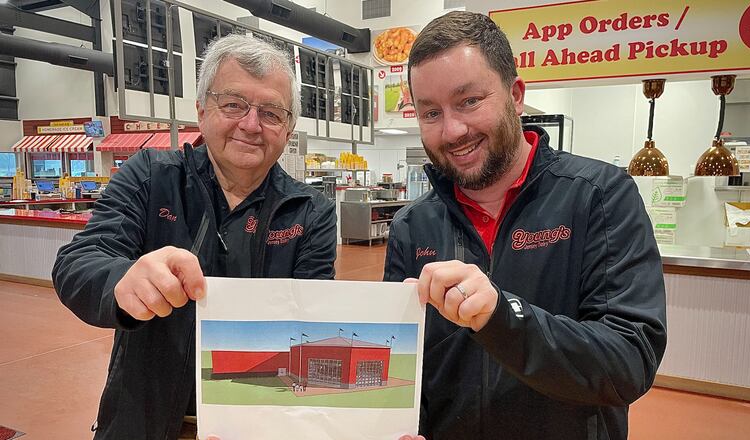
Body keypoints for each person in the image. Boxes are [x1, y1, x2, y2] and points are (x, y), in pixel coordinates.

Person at [385, 11, 667, 440]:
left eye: (469, 101)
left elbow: (629, 362)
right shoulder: (412, 225)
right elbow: (403, 367)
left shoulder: (598, 196)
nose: (452, 130)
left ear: (515, 95)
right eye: (430, 113)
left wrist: (502, 316)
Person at [53, 34, 336, 440]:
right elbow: (78, 264)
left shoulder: (311, 211)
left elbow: (311, 322)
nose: (251, 125)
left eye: (271, 112)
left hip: (260, 424)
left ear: (288, 128)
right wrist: (124, 279)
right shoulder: (150, 176)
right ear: (202, 110)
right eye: (234, 104)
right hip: (142, 421)